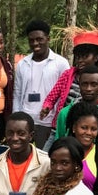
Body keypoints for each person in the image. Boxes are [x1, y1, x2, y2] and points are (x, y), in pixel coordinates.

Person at [40, 27, 98, 150]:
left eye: (84, 57)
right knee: (47, 157)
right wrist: (47, 106)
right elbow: (53, 95)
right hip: (63, 127)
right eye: (78, 57)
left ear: (96, 58)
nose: (80, 60)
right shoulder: (68, 75)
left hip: (86, 131)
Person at [13, 20, 70, 148]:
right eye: (31, 40)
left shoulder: (60, 63)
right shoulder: (23, 64)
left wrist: (57, 122)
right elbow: (17, 93)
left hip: (48, 123)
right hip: (25, 122)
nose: (35, 44)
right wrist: (16, 119)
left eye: (39, 39)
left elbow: (64, 95)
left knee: (44, 160)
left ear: (48, 38)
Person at [55, 65, 98, 150]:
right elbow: (59, 143)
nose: (88, 89)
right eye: (84, 84)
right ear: (79, 86)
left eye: (93, 84)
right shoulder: (65, 113)